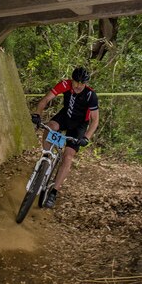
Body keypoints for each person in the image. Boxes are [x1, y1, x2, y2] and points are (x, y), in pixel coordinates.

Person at [31, 66, 99, 209]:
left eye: (82, 83)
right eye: (76, 82)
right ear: (72, 80)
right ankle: (46, 156)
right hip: (65, 117)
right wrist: (37, 114)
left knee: (68, 156)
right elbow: (45, 100)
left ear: (86, 83)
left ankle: (54, 192)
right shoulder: (64, 85)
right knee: (50, 126)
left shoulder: (90, 95)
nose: (79, 85)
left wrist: (86, 137)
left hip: (79, 125)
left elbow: (95, 121)